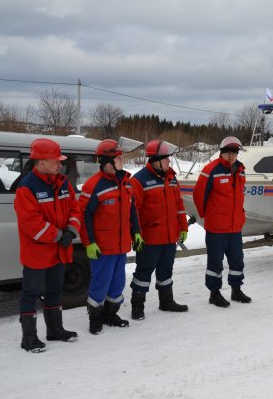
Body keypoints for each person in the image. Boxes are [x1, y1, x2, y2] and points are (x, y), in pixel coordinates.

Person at [14, 138, 79, 352]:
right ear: (41, 162)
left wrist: (70, 231)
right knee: (31, 293)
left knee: (54, 290)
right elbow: (32, 224)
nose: (60, 164)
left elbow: (74, 210)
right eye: (56, 161)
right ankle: (29, 338)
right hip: (37, 252)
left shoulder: (62, 183)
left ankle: (55, 330)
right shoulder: (26, 188)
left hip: (58, 250)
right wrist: (60, 235)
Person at [79, 139, 143, 334]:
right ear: (107, 161)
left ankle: (110, 314)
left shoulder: (126, 183)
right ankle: (95, 318)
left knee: (117, 284)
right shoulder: (93, 186)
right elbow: (84, 216)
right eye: (118, 158)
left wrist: (137, 231)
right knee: (100, 284)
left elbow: (132, 210)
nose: (122, 160)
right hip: (102, 248)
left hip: (121, 245)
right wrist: (89, 243)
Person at [129, 140, 189, 320]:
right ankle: (137, 306)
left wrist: (183, 227)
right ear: (155, 160)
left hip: (170, 236)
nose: (169, 162)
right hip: (150, 238)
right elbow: (134, 211)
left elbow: (179, 204)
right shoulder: (138, 180)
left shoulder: (171, 178)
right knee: (143, 273)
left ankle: (166, 301)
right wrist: (136, 233)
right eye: (166, 160)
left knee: (166, 271)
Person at [193, 136, 251, 307]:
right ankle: (214, 293)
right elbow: (199, 195)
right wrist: (207, 215)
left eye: (235, 153)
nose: (232, 156)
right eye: (228, 153)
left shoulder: (240, 169)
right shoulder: (210, 169)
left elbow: (240, 195)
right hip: (217, 228)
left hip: (235, 227)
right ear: (222, 153)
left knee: (237, 261)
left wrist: (240, 213)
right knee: (215, 263)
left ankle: (236, 290)